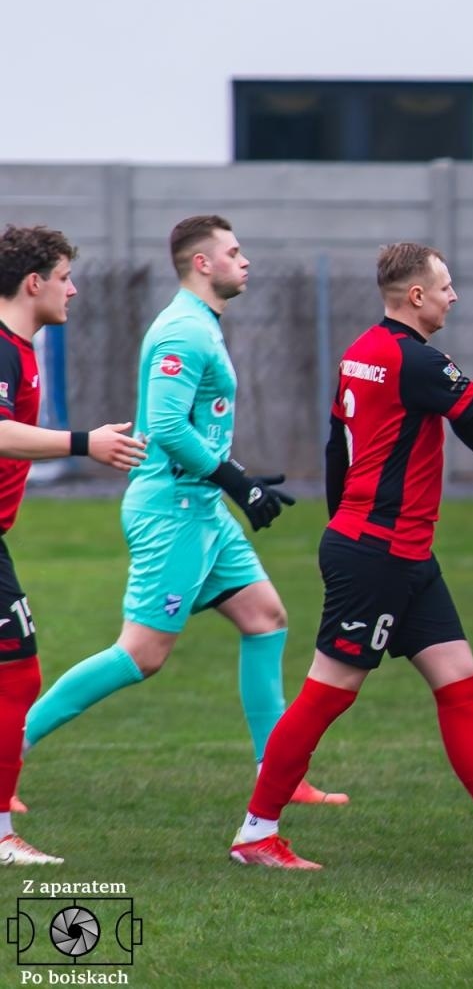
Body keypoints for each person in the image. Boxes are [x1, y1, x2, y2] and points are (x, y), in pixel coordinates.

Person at [230, 242, 473, 870]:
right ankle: (256, 833)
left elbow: (342, 448)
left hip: (396, 551)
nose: (453, 295)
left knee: (461, 682)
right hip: (380, 552)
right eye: (445, 285)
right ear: (416, 295)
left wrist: (346, 523)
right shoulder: (417, 360)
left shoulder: (361, 352)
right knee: (326, 694)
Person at [24, 216, 344, 806]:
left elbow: (192, 424)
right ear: (203, 264)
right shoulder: (182, 332)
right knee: (141, 655)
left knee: (266, 619)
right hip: (170, 512)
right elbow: (166, 425)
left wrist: (234, 480)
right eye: (234, 251)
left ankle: (279, 775)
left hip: (202, 510)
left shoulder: (204, 326)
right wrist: (235, 480)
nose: (245, 261)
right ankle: (10, 752)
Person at [0, 225, 146, 864]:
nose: (73, 288)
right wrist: (84, 442)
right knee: (17, 672)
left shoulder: (20, 348)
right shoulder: (3, 349)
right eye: (64, 276)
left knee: (16, 674)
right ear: (35, 283)